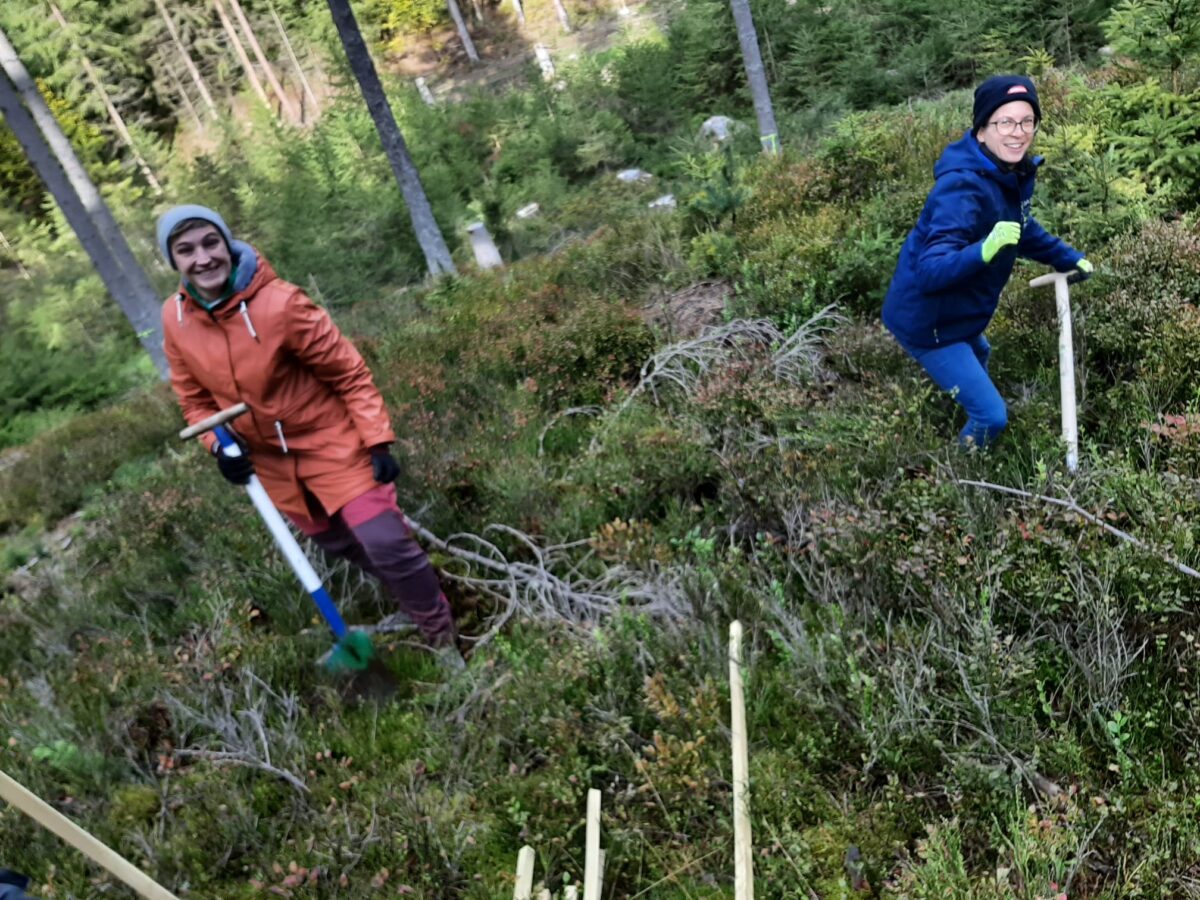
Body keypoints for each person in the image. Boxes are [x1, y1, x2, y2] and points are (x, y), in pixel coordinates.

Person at [156, 205, 463, 670]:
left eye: (210, 243)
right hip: (272, 464)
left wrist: (376, 440)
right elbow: (196, 403)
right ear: (173, 261)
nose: (202, 258)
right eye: (186, 250)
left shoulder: (281, 303)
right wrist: (221, 448)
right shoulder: (174, 319)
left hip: (330, 440)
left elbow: (349, 373)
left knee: (383, 539)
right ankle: (416, 597)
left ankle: (440, 633)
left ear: (227, 242)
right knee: (341, 545)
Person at [881, 74, 1093, 448]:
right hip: (929, 323)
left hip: (961, 317)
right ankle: (961, 476)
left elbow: (1021, 230)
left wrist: (1069, 258)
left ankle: (961, 411)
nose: (1018, 132)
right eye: (1005, 122)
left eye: (1027, 121)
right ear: (982, 131)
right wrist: (984, 249)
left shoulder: (1010, 172)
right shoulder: (960, 187)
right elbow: (930, 270)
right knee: (991, 416)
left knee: (982, 352)